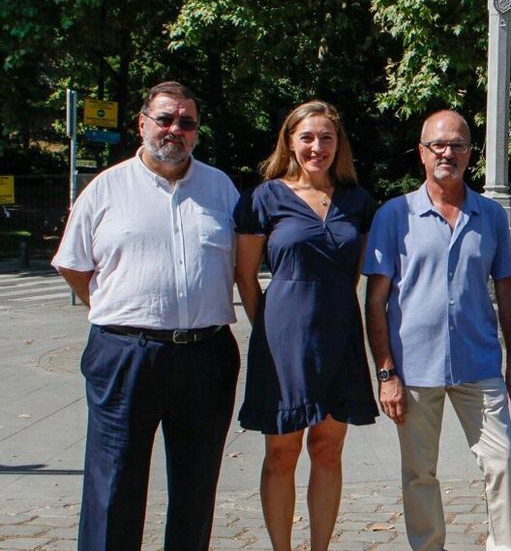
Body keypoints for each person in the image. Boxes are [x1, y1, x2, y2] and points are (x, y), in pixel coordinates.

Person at [51, 81, 241, 549]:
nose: (175, 129)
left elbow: (244, 264)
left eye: (187, 122)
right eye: (165, 119)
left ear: (196, 131)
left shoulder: (221, 188)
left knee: (196, 488)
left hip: (206, 355)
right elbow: (73, 265)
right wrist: (117, 310)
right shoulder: (106, 188)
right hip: (124, 354)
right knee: (112, 485)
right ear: (142, 123)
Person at [363, 109, 511, 551]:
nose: (446, 153)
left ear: (470, 153)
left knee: (503, 462)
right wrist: (386, 373)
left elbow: (507, 294)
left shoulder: (490, 215)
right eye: (438, 145)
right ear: (422, 152)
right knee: (419, 473)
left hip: (479, 363)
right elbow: (375, 301)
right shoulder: (394, 216)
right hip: (413, 369)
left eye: (456, 144)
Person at [233, 100, 378, 550]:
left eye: (327, 137)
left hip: (339, 337)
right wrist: (271, 328)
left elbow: (353, 274)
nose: (318, 146)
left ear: (340, 144)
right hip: (282, 343)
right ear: (290, 142)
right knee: (281, 453)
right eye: (308, 137)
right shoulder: (264, 198)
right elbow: (245, 276)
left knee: (328, 450)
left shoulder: (358, 201)